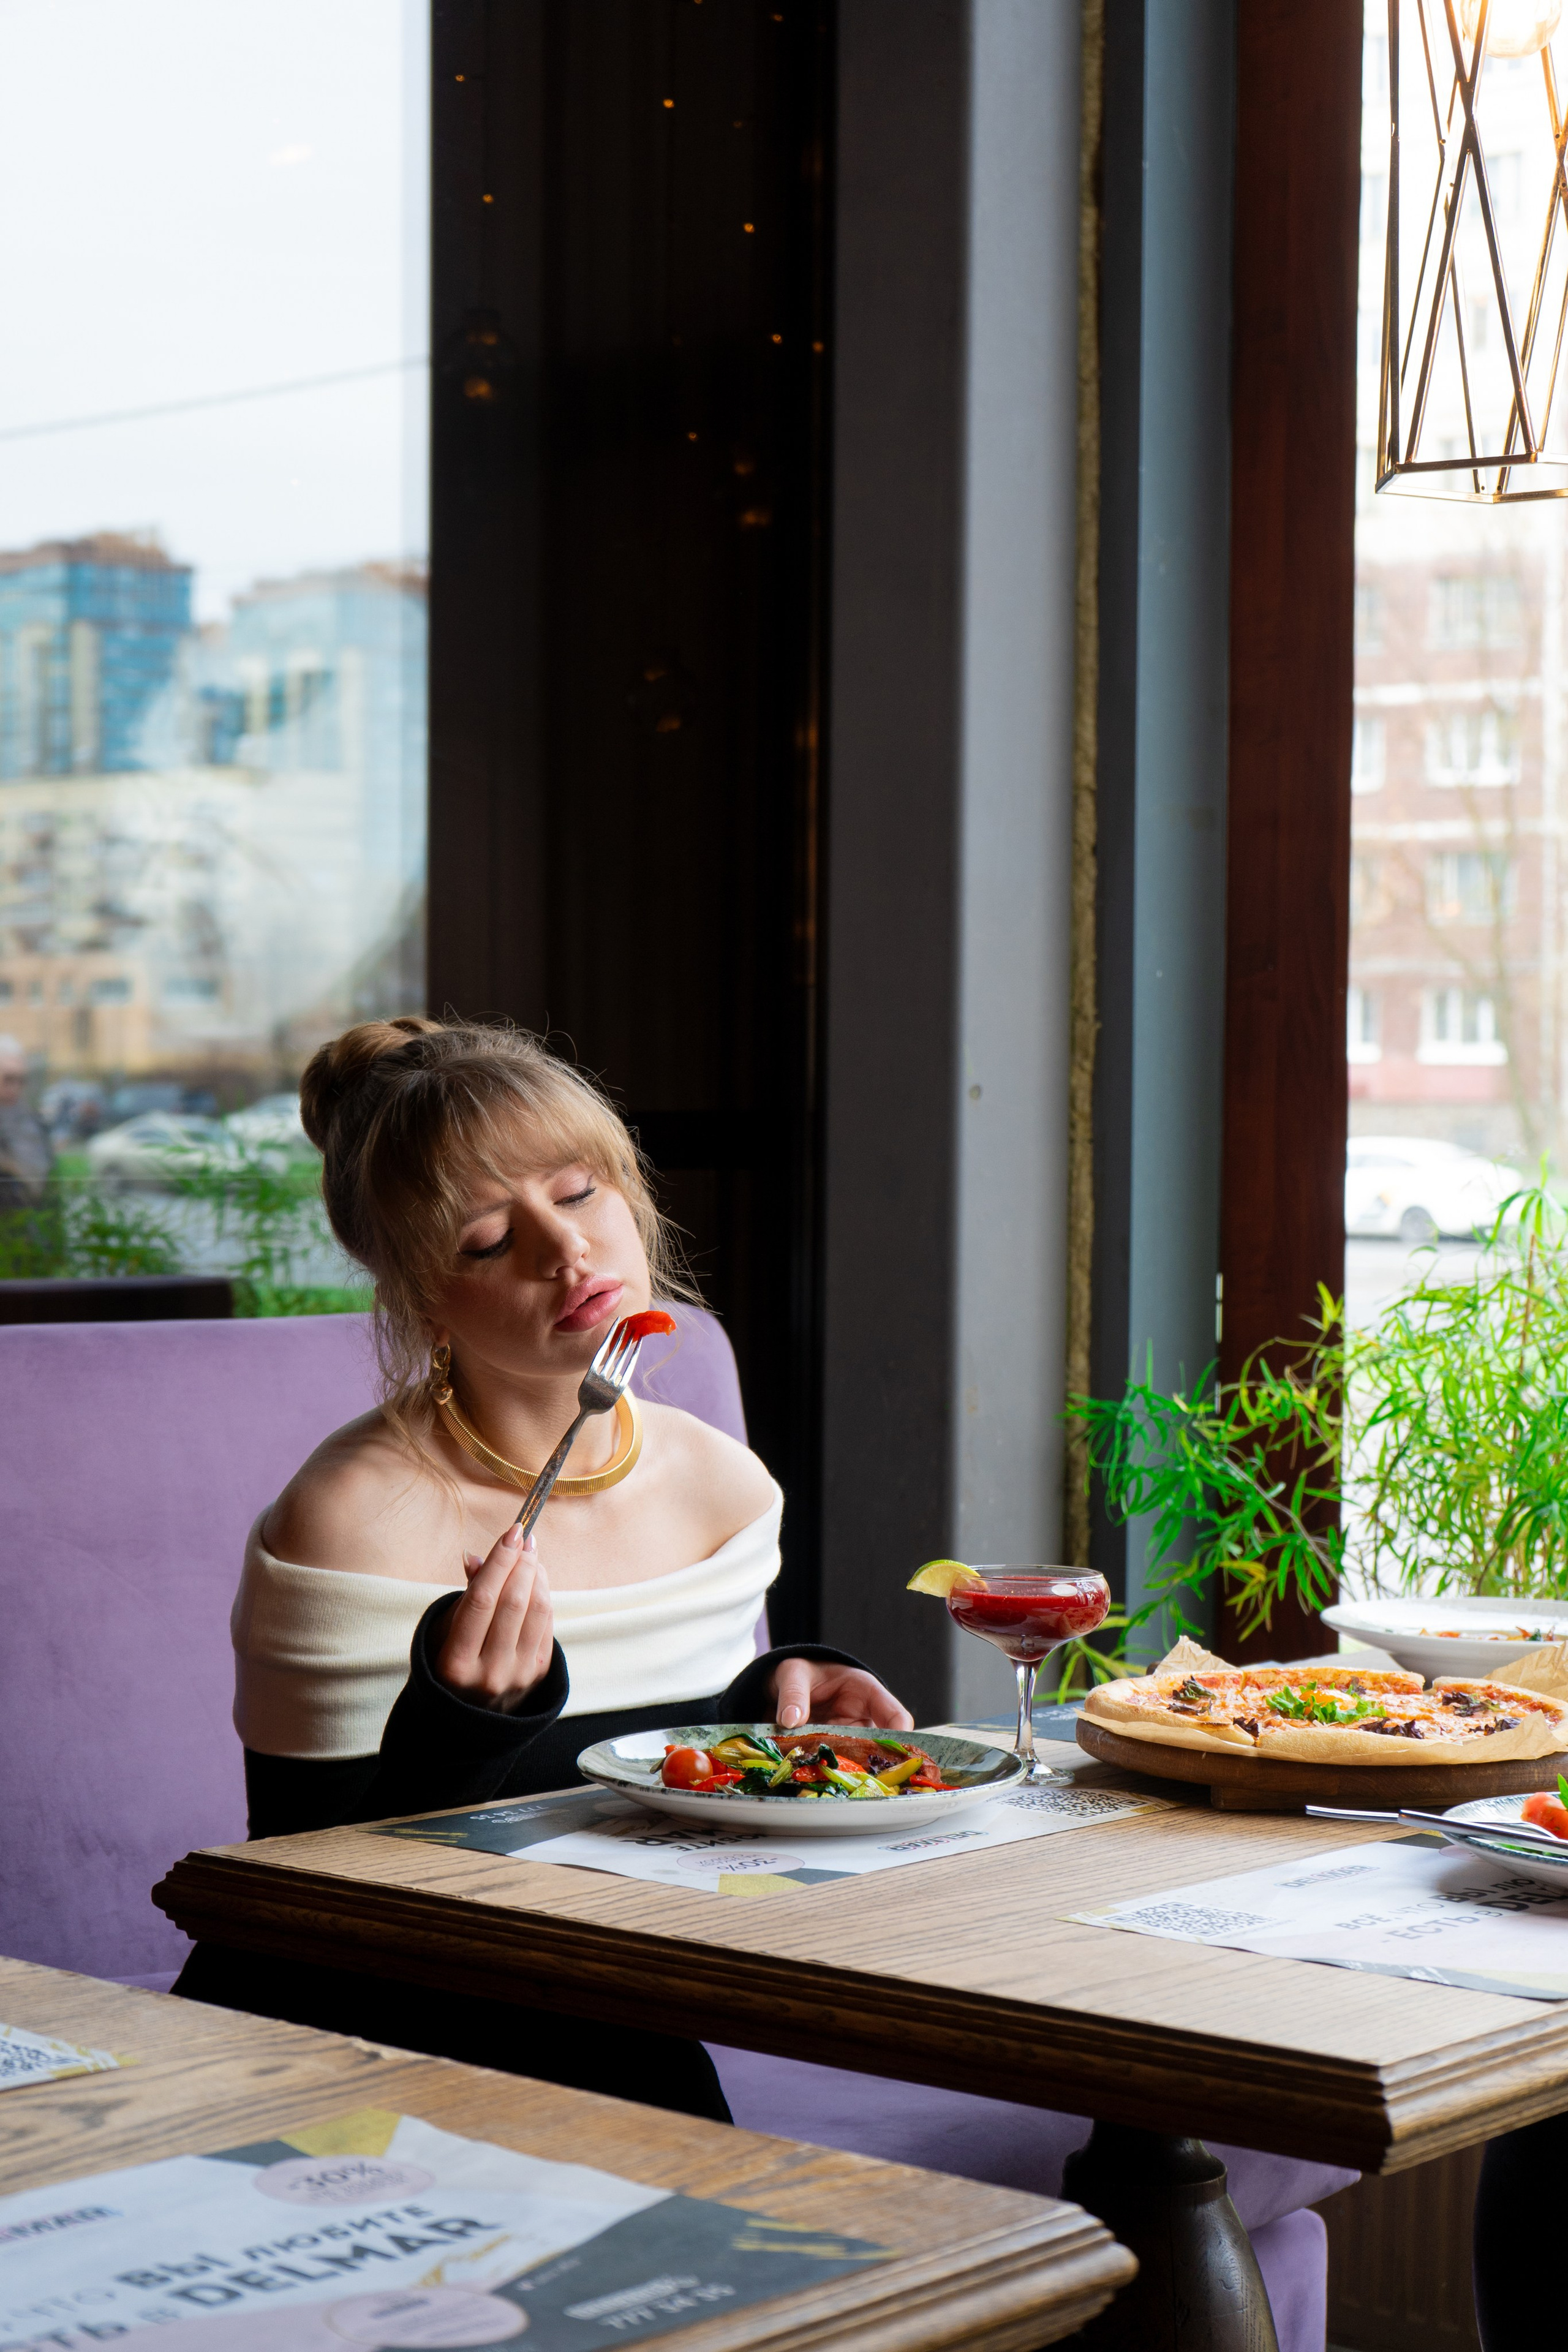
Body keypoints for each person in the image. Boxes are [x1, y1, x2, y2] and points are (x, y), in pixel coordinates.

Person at [176, 1016, 911, 2119]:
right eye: (485, 1240)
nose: (566, 1254)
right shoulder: (350, 1519)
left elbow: (638, 1775)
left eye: (579, 1194)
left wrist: (773, 1701)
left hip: (607, 1997)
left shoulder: (723, 1486)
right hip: (349, 2059)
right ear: (423, 1299)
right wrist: (461, 1726)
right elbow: (295, 1921)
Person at [0, 1037, 52, 1209]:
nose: (16, 1088)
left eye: (22, 1081)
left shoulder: (31, 1121)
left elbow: (39, 1180)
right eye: (9, 1079)